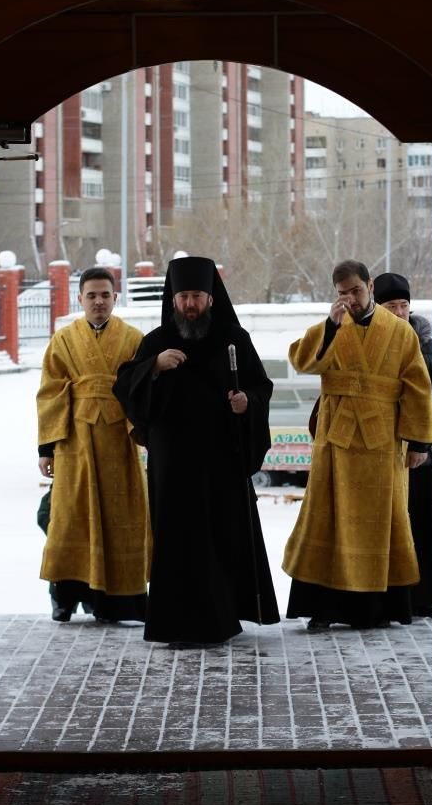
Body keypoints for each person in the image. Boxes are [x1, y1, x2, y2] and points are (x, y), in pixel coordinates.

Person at [113, 255, 280, 647]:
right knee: (177, 541)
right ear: (173, 299)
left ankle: (220, 621)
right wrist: (154, 366)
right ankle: (176, 625)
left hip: (221, 459)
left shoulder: (234, 338)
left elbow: (261, 387)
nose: (190, 304)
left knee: (220, 537)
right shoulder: (156, 342)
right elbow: (124, 388)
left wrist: (247, 403)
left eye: (197, 297)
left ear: (211, 298)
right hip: (172, 463)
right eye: (184, 296)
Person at [283, 259, 432, 630]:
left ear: (369, 286)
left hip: (383, 442)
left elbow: (418, 388)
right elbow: (302, 361)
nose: (350, 299)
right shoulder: (333, 326)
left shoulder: (400, 332)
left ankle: (378, 609)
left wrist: (419, 442)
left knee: (383, 523)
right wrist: (330, 326)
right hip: (336, 442)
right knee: (328, 521)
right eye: (343, 293)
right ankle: (325, 608)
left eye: (356, 290)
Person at [36, 266, 150, 623]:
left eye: (104, 295)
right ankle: (65, 597)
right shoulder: (63, 340)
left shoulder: (134, 339)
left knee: (122, 518)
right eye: (91, 296)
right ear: (80, 299)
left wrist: (146, 432)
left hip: (119, 442)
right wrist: (46, 449)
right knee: (70, 518)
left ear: (115, 298)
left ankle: (119, 603)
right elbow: (50, 393)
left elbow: (142, 388)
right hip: (75, 443)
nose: (98, 302)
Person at [374, 271, 432, 617]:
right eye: (391, 306)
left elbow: (430, 401)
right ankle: (385, 600)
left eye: (403, 305)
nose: (399, 312)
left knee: (418, 526)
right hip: (379, 451)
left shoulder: (427, 347)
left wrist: (421, 445)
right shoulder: (371, 342)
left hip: (417, 454)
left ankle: (420, 598)